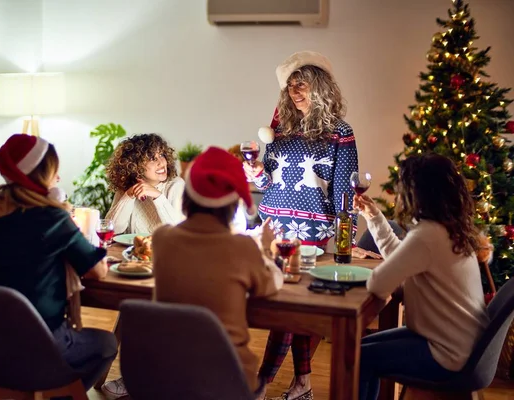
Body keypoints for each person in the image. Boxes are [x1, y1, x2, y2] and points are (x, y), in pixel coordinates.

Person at [244, 51, 358, 400]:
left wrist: (346, 240)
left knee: (292, 309)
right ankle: (302, 384)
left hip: (313, 234)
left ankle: (261, 384)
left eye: (302, 84)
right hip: (273, 226)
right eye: (290, 86)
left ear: (319, 85)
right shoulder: (280, 128)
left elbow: (345, 192)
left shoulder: (340, 132)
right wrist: (255, 173)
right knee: (289, 308)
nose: (295, 91)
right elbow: (270, 181)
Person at [0, 134, 118, 390]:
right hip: (40, 346)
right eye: (54, 172)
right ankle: (60, 393)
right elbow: (97, 271)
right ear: (39, 175)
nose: (58, 178)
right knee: (106, 344)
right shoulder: (51, 217)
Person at [355, 153, 489, 400]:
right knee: (360, 351)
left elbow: (378, 283)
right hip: (460, 343)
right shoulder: (449, 227)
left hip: (445, 352)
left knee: (360, 359)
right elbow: (399, 255)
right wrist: (374, 216)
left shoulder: (427, 235)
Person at [154, 146, 284, 393]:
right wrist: (266, 250)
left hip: (165, 375)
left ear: (187, 196)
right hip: (226, 379)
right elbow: (272, 285)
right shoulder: (242, 248)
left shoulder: (162, 239)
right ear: (231, 204)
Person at [105, 133, 184, 233]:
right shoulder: (126, 187)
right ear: (135, 165)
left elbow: (179, 232)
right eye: (152, 158)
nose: (161, 162)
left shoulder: (176, 185)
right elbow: (112, 230)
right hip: (132, 248)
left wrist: (158, 196)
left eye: (161, 155)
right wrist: (128, 195)